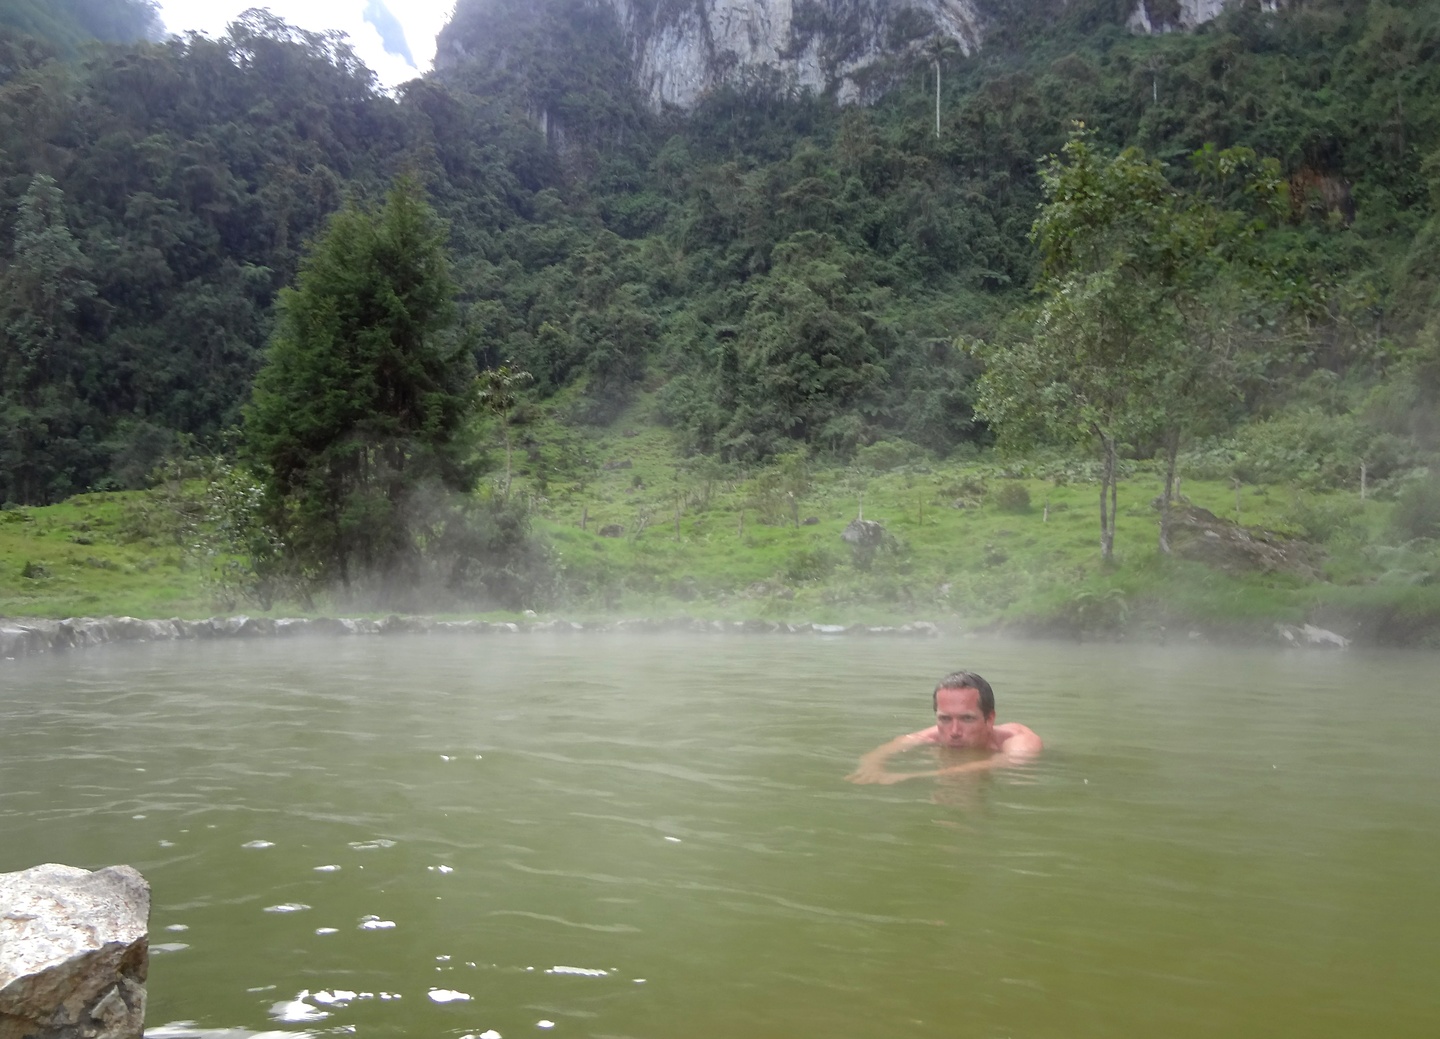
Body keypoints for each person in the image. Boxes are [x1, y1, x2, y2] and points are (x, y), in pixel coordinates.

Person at [845, 670, 1042, 784]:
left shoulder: (1018, 739)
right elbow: (891, 747)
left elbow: (1011, 762)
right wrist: (871, 765)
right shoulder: (936, 735)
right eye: (945, 719)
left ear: (990, 719)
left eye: (967, 719)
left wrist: (914, 776)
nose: (954, 732)